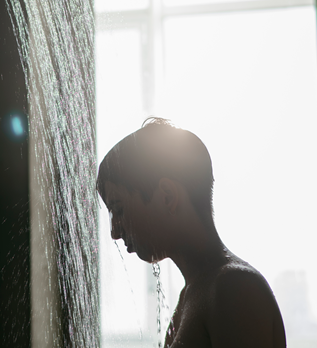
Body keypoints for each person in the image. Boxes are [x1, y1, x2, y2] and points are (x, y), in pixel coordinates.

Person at [97, 118, 286, 348]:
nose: (114, 231)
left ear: (167, 196)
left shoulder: (234, 289)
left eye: (118, 208)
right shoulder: (196, 292)